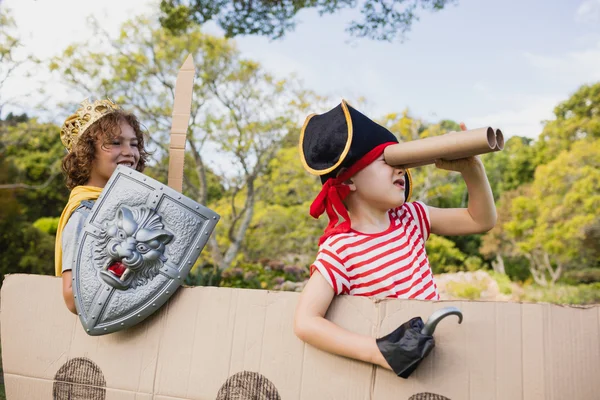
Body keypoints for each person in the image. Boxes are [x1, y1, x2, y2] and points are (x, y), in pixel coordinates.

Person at [294, 100, 496, 374]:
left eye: (401, 162)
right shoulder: (341, 248)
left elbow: (480, 220)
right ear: (348, 179)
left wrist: (471, 169)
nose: (400, 169)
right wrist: (380, 352)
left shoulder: (411, 218)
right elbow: (306, 321)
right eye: (387, 161)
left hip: (440, 359)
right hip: (394, 372)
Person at [55, 98, 150, 314]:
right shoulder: (84, 213)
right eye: (115, 143)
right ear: (87, 153)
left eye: (134, 144)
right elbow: (72, 297)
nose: (129, 152)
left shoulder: (132, 210)